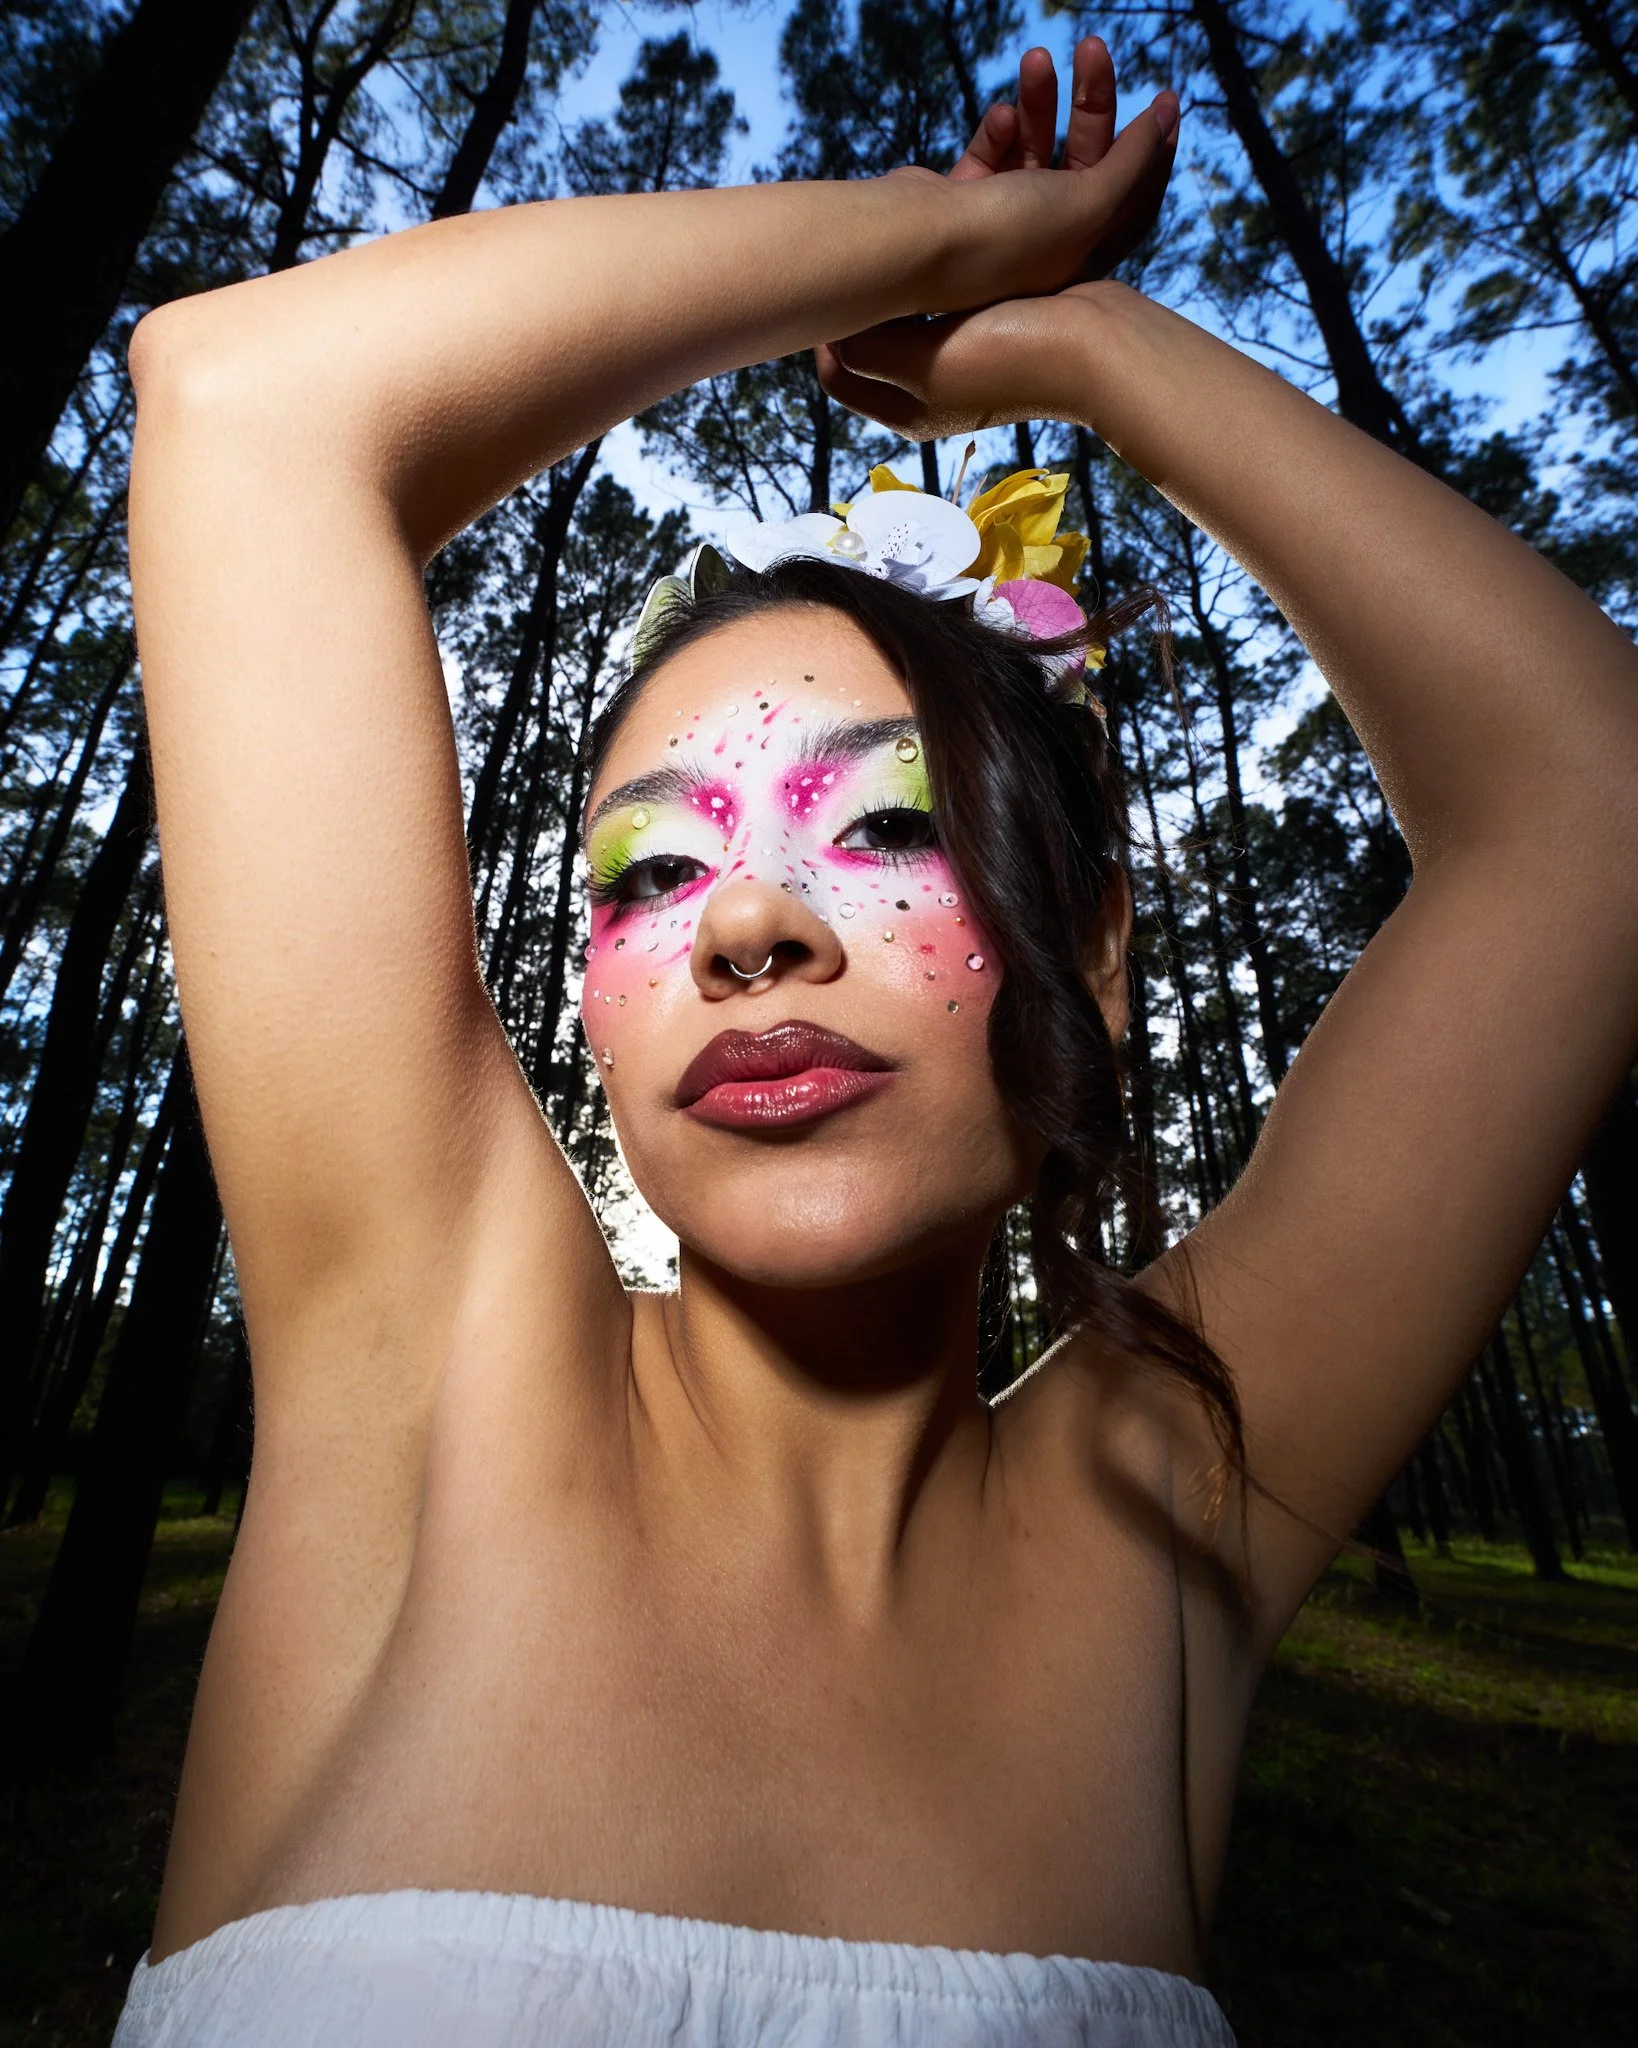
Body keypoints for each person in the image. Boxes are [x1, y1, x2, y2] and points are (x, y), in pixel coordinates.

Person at [112, 33, 1638, 2048]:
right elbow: (246, 397)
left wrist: (1082, 350)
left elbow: (1594, 810)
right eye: (655, 870)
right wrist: (950, 234)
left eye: (891, 829)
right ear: (593, 1003)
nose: (746, 922)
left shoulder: (1165, 1518)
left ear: (1088, 959)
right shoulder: (430, 1385)